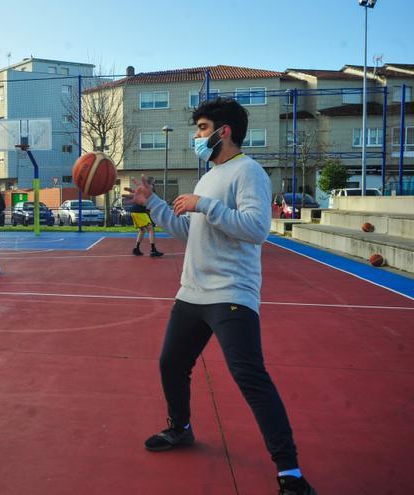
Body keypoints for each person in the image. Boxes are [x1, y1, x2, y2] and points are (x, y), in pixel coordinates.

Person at [125, 98, 316, 495]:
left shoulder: (249, 172)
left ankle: (291, 474)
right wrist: (153, 203)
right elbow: (189, 231)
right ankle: (181, 428)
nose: (196, 136)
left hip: (231, 290)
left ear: (223, 131)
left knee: (249, 376)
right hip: (192, 291)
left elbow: (256, 229)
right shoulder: (208, 177)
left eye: (201, 128)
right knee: (171, 363)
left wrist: (205, 205)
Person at [130, 181, 163, 257]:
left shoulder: (144, 191)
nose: (153, 186)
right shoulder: (147, 192)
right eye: (152, 184)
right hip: (139, 212)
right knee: (151, 229)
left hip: (135, 211)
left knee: (142, 230)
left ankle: (136, 249)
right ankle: (153, 250)